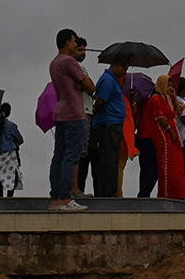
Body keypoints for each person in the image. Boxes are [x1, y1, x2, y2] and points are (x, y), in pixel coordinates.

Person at [49, 28, 95, 210]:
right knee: (71, 156)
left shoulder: (54, 63)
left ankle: (56, 198)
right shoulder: (69, 62)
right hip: (75, 113)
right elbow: (91, 87)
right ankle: (65, 199)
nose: (76, 44)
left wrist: (80, 83)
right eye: (74, 41)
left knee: (58, 155)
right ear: (67, 42)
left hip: (60, 112)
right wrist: (82, 84)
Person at [142, 75, 185, 199]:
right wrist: (170, 131)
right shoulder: (156, 98)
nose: (170, 87)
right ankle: (166, 193)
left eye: (171, 85)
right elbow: (160, 118)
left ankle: (178, 194)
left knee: (176, 164)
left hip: (172, 132)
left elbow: (176, 112)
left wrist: (173, 96)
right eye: (168, 85)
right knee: (166, 164)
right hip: (163, 133)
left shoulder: (168, 99)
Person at [90, 57, 128, 198]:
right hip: (108, 124)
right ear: (118, 65)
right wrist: (95, 112)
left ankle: (110, 191)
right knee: (108, 160)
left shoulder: (111, 80)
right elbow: (100, 101)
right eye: (124, 68)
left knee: (111, 159)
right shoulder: (107, 80)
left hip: (112, 123)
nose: (124, 72)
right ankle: (107, 193)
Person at [71, 36, 93, 198]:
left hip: (85, 110)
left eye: (84, 50)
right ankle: (74, 189)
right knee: (78, 152)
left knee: (81, 152)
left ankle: (76, 188)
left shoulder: (79, 67)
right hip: (81, 111)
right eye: (80, 49)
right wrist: (86, 84)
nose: (83, 53)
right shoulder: (76, 67)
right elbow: (91, 87)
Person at [0, 103, 24, 197]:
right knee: (12, 176)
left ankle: (0, 197)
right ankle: (9, 197)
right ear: (9, 112)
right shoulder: (11, 125)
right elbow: (21, 140)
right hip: (10, 154)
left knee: (1, 176)